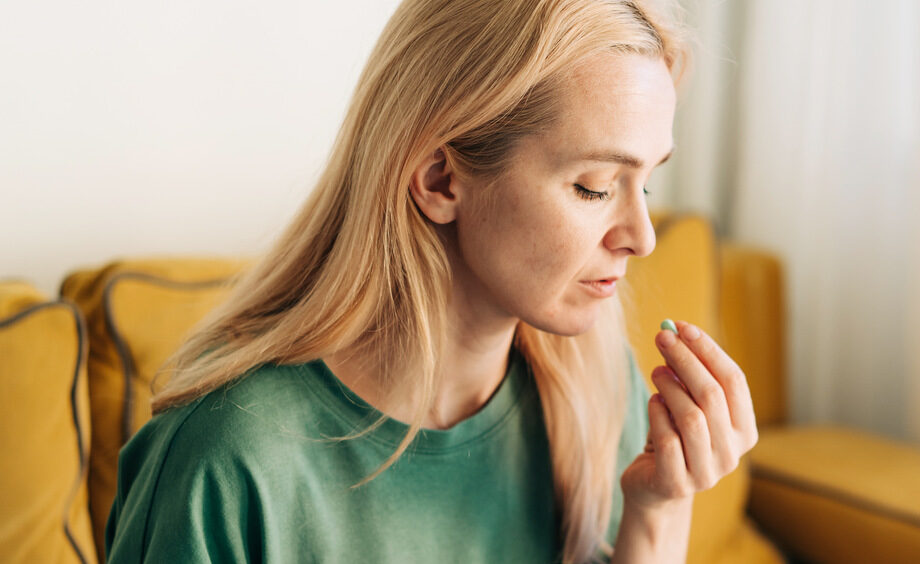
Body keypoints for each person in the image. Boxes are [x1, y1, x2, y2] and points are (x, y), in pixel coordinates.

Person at [102, 0, 759, 562]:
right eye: (595, 187)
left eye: (646, 182)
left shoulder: (597, 392)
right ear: (441, 179)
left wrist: (660, 511)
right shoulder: (226, 461)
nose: (642, 237)